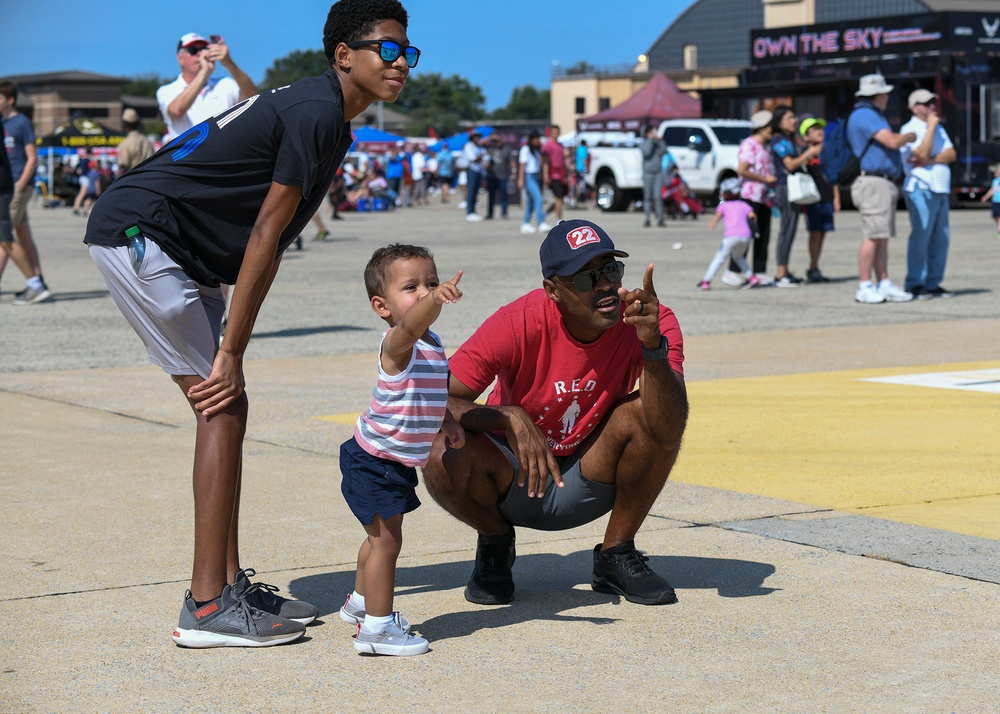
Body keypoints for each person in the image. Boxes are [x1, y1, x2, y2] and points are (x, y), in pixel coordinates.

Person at [83, 0, 417, 648]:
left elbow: (270, 236)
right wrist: (231, 348)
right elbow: (267, 234)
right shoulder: (317, 111)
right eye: (390, 49)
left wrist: (233, 344)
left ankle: (226, 583)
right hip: (142, 233)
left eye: (409, 52)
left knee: (227, 406)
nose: (402, 63)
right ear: (344, 55)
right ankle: (207, 606)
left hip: (183, 249)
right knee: (223, 403)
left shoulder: (327, 118)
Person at [421, 219, 688, 607]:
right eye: (585, 278)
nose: (605, 286)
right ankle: (495, 544)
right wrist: (507, 416)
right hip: (511, 473)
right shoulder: (518, 321)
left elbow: (670, 426)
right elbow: (433, 401)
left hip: (589, 471)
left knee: (646, 412)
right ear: (553, 290)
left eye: (611, 270)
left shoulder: (651, 321)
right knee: (438, 449)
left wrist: (653, 348)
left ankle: (615, 554)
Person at [338, 244, 464, 656]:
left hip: (392, 463)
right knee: (387, 544)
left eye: (431, 282)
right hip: (372, 461)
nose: (426, 292)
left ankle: (359, 603)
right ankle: (376, 631)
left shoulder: (433, 342)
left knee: (379, 539)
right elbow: (410, 326)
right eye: (412, 287)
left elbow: (429, 392)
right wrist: (431, 302)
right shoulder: (397, 343)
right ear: (382, 305)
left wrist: (445, 420)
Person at [847, 74, 917, 304]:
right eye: (885, 93)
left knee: (881, 236)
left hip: (881, 182)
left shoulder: (870, 114)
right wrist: (908, 136)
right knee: (873, 235)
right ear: (877, 95)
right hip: (873, 182)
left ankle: (883, 282)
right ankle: (865, 285)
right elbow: (891, 141)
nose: (887, 97)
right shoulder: (866, 115)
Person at [899, 89, 956, 300]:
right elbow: (920, 153)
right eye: (926, 103)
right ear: (914, 107)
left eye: (933, 102)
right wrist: (931, 127)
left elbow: (951, 154)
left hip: (941, 186)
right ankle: (914, 283)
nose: (931, 106)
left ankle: (933, 283)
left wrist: (931, 160)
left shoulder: (939, 128)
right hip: (921, 187)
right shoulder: (910, 128)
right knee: (921, 237)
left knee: (941, 239)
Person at [0, 80, 50, 305]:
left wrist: (20, 184)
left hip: (17, 186)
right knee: (23, 235)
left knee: (3, 237)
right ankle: (38, 279)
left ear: (10, 99)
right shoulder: (2, 123)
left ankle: (35, 285)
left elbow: (32, 156)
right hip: (7, 186)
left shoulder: (21, 123)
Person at [156, 33, 258, 144]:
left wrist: (229, 63)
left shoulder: (226, 84)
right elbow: (176, 111)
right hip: (189, 159)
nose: (200, 54)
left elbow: (254, 98)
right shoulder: (167, 90)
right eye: (193, 51)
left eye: (204, 49)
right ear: (180, 57)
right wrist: (204, 72)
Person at [770, 106, 821, 286]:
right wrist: (808, 154)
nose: (794, 121)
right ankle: (780, 272)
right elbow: (790, 165)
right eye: (789, 118)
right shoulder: (780, 141)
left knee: (790, 229)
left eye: (794, 117)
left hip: (787, 187)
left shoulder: (787, 140)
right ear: (779, 121)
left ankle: (784, 270)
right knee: (787, 229)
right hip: (786, 187)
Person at [728, 109, 776, 286]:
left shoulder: (766, 146)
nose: (772, 129)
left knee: (763, 234)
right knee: (745, 235)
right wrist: (765, 179)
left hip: (764, 197)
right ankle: (732, 270)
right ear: (761, 127)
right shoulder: (749, 144)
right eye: (770, 126)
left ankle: (759, 270)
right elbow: (742, 170)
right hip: (749, 196)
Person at [698, 178, 760, 290]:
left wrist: (713, 223)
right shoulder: (743, 204)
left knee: (719, 258)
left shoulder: (724, 205)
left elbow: (717, 216)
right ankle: (751, 277)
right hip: (745, 237)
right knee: (739, 257)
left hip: (731, 236)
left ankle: (706, 281)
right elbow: (753, 216)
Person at [798, 117, 839, 283]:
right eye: (814, 130)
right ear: (806, 137)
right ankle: (812, 267)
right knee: (814, 232)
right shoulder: (804, 152)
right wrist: (808, 155)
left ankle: (815, 266)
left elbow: (833, 175)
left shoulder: (827, 151)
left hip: (827, 196)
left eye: (819, 128)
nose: (819, 132)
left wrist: (836, 197)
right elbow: (797, 169)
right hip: (812, 198)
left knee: (823, 232)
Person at [517, 131, 549, 234]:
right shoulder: (525, 149)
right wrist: (520, 179)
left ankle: (526, 223)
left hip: (536, 176)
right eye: (535, 139)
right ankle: (540, 222)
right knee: (539, 198)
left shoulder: (536, 151)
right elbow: (522, 166)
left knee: (531, 202)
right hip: (529, 176)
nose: (537, 141)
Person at [640, 125, 667, 227]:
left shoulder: (657, 143)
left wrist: (660, 141)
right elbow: (646, 153)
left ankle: (660, 219)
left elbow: (664, 151)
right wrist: (651, 141)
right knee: (647, 197)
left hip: (657, 173)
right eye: (651, 132)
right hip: (647, 173)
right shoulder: (643, 143)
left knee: (658, 197)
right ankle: (647, 219)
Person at [116, 108, 155, 175]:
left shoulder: (126, 143)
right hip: (147, 179)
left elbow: (123, 167)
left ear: (124, 124)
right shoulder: (147, 141)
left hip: (132, 181)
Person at [541, 125, 568, 222]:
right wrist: (545, 175)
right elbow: (545, 161)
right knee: (559, 197)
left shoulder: (561, 146)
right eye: (554, 131)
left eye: (557, 131)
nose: (555, 133)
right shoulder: (548, 145)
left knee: (560, 200)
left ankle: (544, 214)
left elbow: (563, 162)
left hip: (561, 175)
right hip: (553, 174)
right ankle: (559, 219)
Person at [485, 134, 512, 219]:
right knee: (491, 196)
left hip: (503, 176)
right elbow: (479, 143)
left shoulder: (506, 149)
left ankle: (504, 213)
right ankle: (490, 213)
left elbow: (512, 161)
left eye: (499, 141)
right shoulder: (490, 148)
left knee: (503, 195)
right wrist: (490, 138)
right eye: (495, 141)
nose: (497, 143)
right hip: (492, 176)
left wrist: (513, 172)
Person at [463, 131, 486, 221]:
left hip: (479, 170)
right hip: (472, 170)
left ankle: (474, 211)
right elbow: (473, 159)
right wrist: (481, 157)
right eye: (475, 137)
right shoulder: (469, 146)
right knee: (471, 191)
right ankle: (469, 212)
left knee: (476, 192)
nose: (477, 139)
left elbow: (485, 157)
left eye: (478, 137)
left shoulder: (480, 148)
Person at [980, 163, 1000, 237]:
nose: (994, 173)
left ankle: (999, 231)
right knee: (995, 216)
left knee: (999, 217)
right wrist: (985, 197)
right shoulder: (995, 181)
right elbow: (992, 190)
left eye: (996, 172)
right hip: (995, 200)